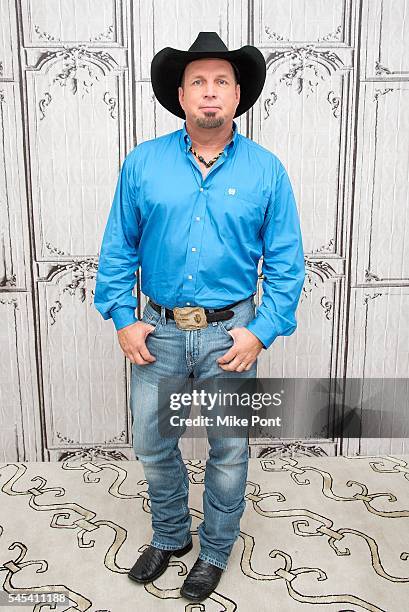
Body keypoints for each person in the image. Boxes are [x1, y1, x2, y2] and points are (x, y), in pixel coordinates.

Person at [94, 31, 305, 602]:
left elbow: (287, 265)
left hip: (229, 336)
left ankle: (213, 550)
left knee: (229, 449)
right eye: (198, 82)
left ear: (237, 95)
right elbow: (119, 248)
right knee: (152, 442)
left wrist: (260, 332)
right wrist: (122, 317)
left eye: (221, 82)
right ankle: (170, 537)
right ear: (181, 95)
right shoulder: (143, 164)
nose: (209, 93)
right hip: (157, 333)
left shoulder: (267, 171)